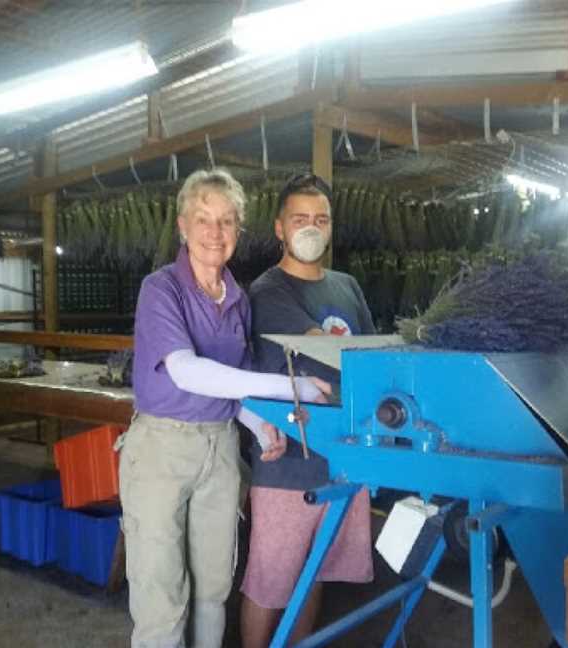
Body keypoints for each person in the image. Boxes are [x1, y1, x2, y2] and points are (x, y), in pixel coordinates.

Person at [119, 168, 330, 648]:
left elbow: (230, 390)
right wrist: (287, 387)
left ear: (239, 230)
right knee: (162, 595)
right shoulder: (161, 289)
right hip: (161, 451)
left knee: (214, 588)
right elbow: (187, 372)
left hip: (219, 449)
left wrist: (257, 424)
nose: (215, 233)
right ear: (183, 226)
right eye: (203, 219)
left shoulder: (238, 298)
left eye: (227, 221)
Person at [240, 173, 376, 647]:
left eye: (321, 219)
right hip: (287, 464)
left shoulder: (348, 287)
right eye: (300, 219)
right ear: (279, 228)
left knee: (314, 574)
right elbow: (325, 350)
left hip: (341, 459)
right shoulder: (268, 290)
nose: (311, 228)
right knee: (269, 583)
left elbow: (369, 364)